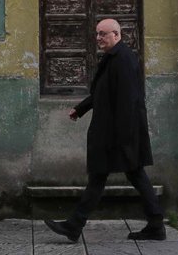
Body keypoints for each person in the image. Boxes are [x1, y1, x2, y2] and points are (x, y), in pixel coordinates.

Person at [44, 18, 165, 243]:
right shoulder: (114, 58)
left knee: (108, 175)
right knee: (124, 175)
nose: (98, 38)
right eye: (97, 34)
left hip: (117, 133)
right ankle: (155, 224)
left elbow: (128, 101)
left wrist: (122, 138)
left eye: (103, 34)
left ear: (116, 35)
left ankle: (75, 225)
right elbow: (103, 92)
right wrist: (80, 109)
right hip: (115, 132)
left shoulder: (123, 59)